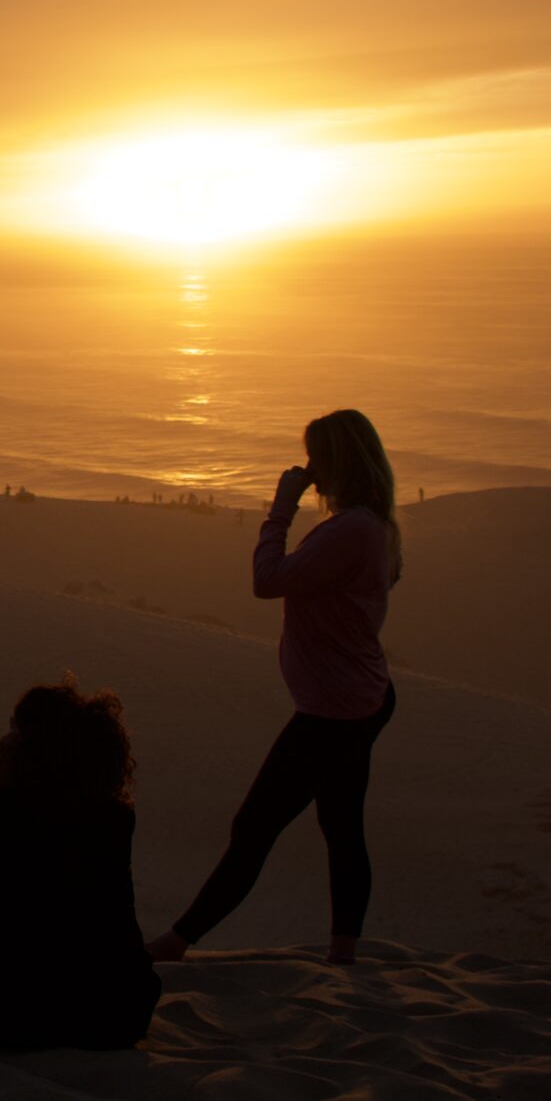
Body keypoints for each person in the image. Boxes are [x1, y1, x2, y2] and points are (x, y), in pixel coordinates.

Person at [148, 410, 403, 966]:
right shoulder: (376, 525)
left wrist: (281, 506)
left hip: (334, 710)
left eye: (317, 458)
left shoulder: (352, 529)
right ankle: (343, 952)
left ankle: (176, 942)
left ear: (339, 462)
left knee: (255, 827)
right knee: (340, 824)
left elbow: (267, 580)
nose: (310, 469)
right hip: (361, 695)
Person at [0, 679, 161, 1049]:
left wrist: (5, 782)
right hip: (118, 1015)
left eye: (15, 733)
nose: (5, 740)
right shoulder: (116, 820)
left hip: (12, 1014)